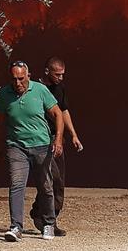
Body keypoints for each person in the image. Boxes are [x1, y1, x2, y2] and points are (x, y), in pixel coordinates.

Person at [0, 60, 64, 242]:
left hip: (41, 145)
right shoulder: (5, 94)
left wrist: (58, 140)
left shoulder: (40, 90)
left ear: (28, 76)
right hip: (16, 146)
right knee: (16, 185)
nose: (18, 83)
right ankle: (16, 227)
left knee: (45, 185)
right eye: (14, 79)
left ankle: (48, 223)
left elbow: (58, 114)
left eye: (21, 78)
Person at [30, 56, 83, 237]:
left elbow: (64, 111)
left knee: (59, 182)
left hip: (57, 139)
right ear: (47, 71)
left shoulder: (60, 88)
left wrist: (73, 134)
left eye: (62, 74)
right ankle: (45, 219)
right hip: (40, 140)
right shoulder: (36, 88)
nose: (60, 78)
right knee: (52, 179)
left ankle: (46, 217)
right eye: (57, 74)